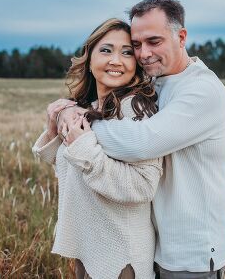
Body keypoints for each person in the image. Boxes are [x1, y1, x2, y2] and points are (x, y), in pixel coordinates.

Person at [58, 0, 225, 278]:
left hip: (191, 253)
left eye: (154, 41)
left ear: (181, 36)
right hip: (154, 244)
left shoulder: (202, 91)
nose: (143, 53)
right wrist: (68, 110)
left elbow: (141, 142)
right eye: (136, 45)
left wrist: (81, 123)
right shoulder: (155, 82)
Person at [33, 18, 163, 279]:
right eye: (106, 50)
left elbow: (143, 186)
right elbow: (70, 164)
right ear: (89, 58)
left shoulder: (135, 109)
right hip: (91, 245)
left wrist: (84, 148)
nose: (116, 60)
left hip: (121, 254)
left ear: (136, 65)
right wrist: (55, 125)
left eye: (127, 52)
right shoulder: (91, 107)